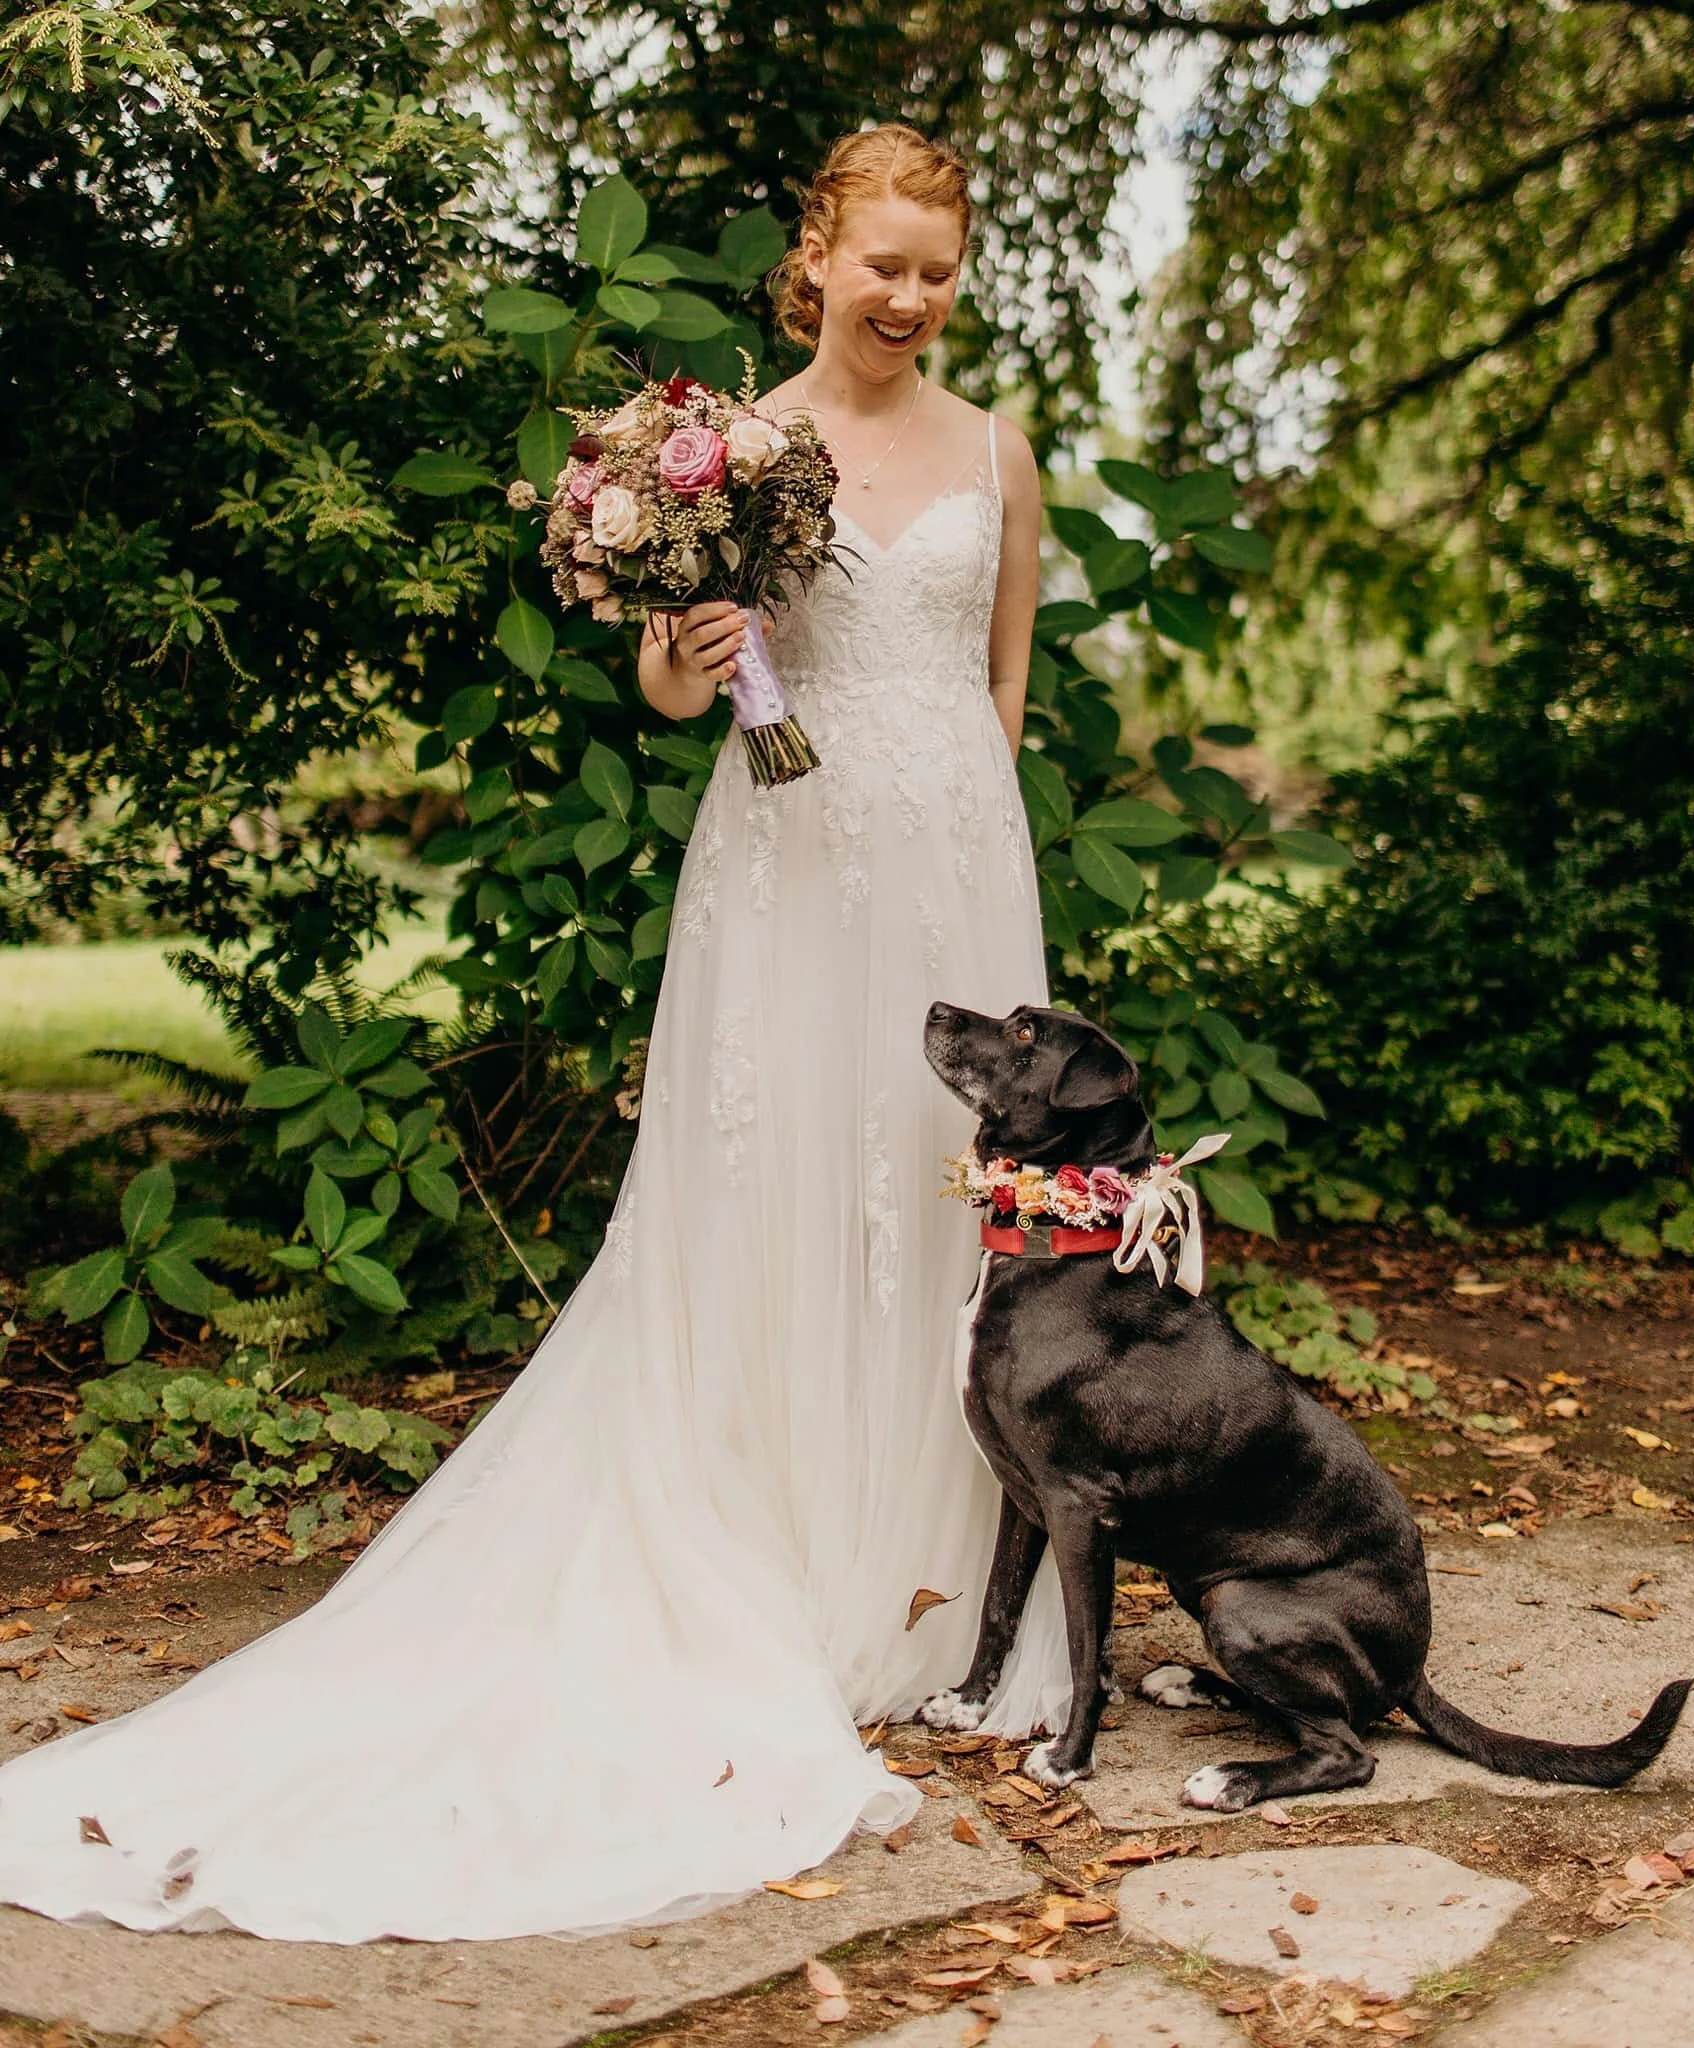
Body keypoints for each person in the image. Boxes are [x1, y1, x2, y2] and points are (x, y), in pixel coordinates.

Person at [0, 123, 1070, 1944]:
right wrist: (693, 640)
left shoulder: (996, 453)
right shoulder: (733, 446)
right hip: (789, 865)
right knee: (778, 1184)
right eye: (879, 261)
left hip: (958, 862)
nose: (907, 296)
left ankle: (944, 1585)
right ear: (815, 257)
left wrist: (972, 828)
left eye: (937, 269)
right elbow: (669, 689)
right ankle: (782, 1565)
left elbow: (999, 690)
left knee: (933, 1187)